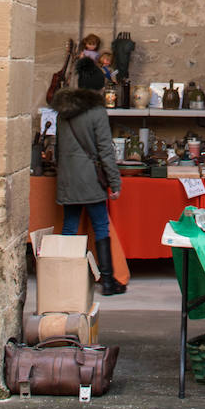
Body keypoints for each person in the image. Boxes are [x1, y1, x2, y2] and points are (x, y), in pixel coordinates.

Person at [51, 57, 125, 295]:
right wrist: (114, 182)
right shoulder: (97, 112)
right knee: (100, 226)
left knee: (70, 226)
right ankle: (107, 281)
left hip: (68, 178)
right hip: (90, 178)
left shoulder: (63, 113)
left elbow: (58, 148)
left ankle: (65, 282)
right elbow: (105, 150)